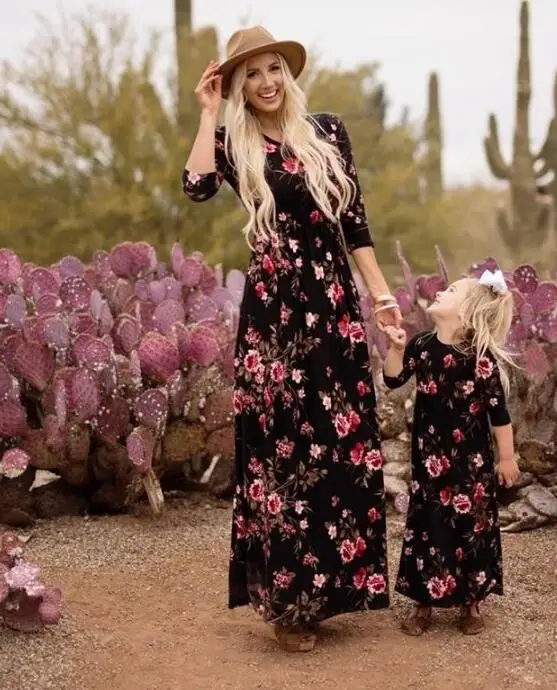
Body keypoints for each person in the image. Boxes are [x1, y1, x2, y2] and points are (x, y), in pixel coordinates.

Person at [181, 26, 401, 652]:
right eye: (251, 74)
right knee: (283, 458)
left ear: (288, 72)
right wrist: (208, 113)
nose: (267, 81)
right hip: (274, 319)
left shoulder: (326, 131)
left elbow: (355, 224)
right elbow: (195, 187)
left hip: (332, 310)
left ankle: (334, 589)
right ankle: (288, 604)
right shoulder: (232, 141)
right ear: (237, 86)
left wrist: (382, 300)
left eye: (274, 68)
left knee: (341, 443)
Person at [381, 269, 520, 636]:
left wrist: (506, 457)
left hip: (471, 466)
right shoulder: (422, 346)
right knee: (427, 526)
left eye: (452, 290)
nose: (441, 291)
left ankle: (470, 602)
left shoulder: (480, 357)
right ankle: (422, 603)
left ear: (468, 310)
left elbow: (498, 413)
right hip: (429, 461)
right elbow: (393, 379)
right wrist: (395, 348)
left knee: (472, 528)